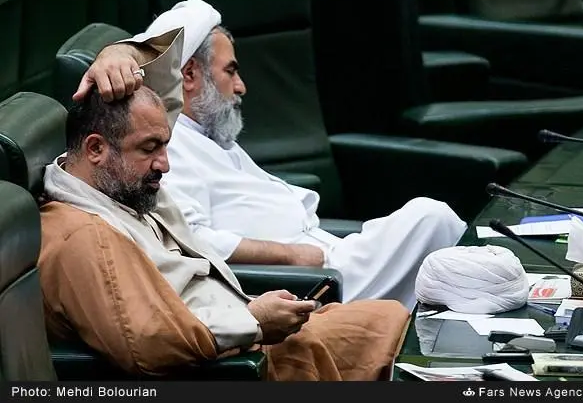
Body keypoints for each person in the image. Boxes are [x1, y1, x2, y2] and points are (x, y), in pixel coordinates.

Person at [76, 0, 467, 309]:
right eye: (231, 71)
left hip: (329, 253)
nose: (241, 86)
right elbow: (195, 240)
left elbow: (200, 9)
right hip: (309, 279)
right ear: (189, 75)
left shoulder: (208, 136)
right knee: (431, 218)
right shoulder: (168, 140)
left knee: (456, 255)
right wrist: (123, 52)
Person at [38, 80, 410, 380]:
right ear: (95, 148)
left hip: (244, 327)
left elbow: (169, 81)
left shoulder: (114, 187)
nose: (164, 165)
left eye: (165, 146)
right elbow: (146, 344)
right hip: (236, 365)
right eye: (150, 148)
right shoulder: (81, 236)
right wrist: (254, 321)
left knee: (390, 319)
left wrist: (124, 54)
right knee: (391, 333)